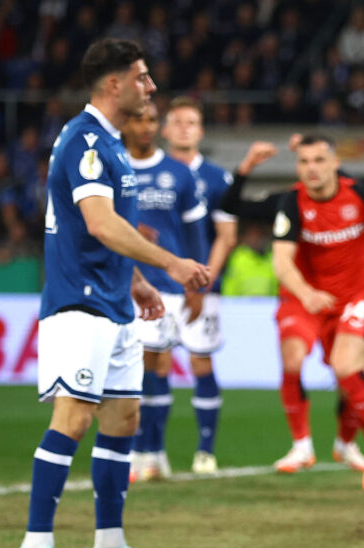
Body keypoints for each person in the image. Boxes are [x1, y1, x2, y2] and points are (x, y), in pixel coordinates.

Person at [12, 38, 210, 548]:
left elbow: (107, 229)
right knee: (74, 417)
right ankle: (35, 544)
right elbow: (100, 224)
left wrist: (138, 282)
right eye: (142, 77)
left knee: (124, 418)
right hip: (79, 304)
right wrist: (171, 264)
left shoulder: (112, 143)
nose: (151, 87)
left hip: (115, 302)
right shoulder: (86, 141)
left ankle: (110, 547)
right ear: (114, 83)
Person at [221, 136, 364, 490]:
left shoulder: (359, 193)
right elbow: (234, 207)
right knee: (293, 358)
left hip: (353, 297)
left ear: (334, 163)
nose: (311, 168)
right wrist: (248, 165)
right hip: (303, 296)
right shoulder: (289, 202)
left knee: (349, 371)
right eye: (304, 161)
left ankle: (347, 444)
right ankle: (303, 446)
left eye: (319, 160)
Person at [122, 102, 208, 483]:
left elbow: (195, 232)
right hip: (122, 282)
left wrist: (197, 283)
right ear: (126, 124)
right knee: (138, 367)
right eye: (138, 119)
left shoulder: (179, 173)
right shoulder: (113, 168)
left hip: (167, 286)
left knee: (155, 365)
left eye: (152, 120)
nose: (146, 126)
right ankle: (140, 451)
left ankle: (150, 452)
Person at [160, 96, 240, 475]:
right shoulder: (144, 172)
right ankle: (152, 452)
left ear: (201, 131)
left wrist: (202, 281)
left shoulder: (218, 178)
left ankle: (205, 451)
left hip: (201, 286)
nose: (184, 128)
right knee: (155, 361)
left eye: (191, 122)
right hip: (156, 285)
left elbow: (226, 236)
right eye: (177, 121)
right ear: (165, 129)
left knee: (200, 360)